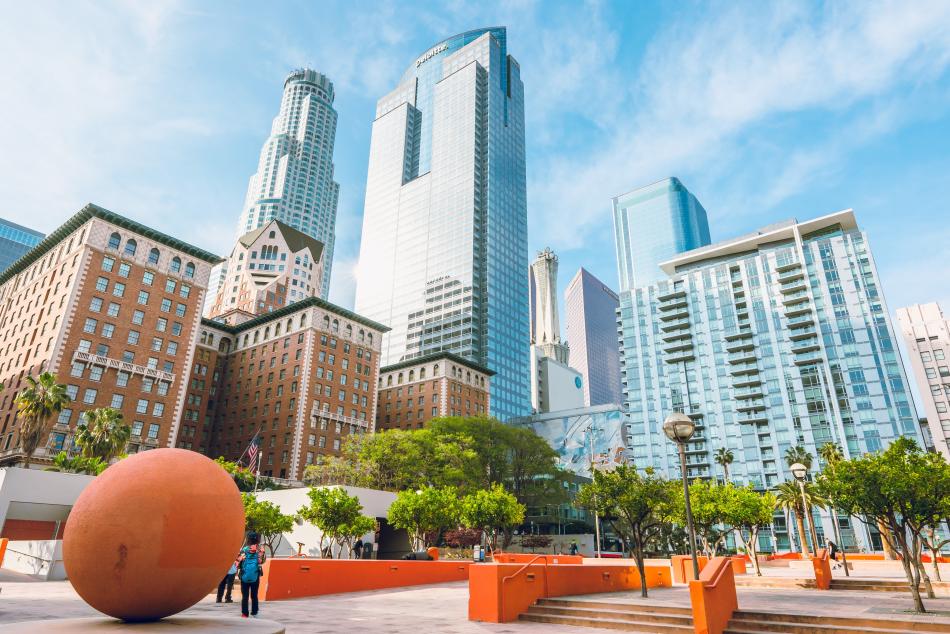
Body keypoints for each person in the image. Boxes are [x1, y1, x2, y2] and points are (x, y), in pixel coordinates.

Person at [237, 532, 266, 618]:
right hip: (255, 576)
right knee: (254, 595)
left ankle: (245, 613)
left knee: (245, 596)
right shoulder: (259, 550)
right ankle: (254, 612)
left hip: (244, 576)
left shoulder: (244, 550)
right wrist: (262, 553)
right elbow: (262, 562)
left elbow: (238, 563)